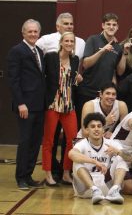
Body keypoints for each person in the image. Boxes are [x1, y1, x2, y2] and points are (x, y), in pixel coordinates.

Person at [7, 19, 46, 190]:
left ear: (39, 33)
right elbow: (13, 80)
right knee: (25, 141)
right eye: (29, 31)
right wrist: (20, 103)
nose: (33, 34)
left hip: (39, 105)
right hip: (26, 106)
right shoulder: (17, 51)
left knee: (35, 142)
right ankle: (21, 177)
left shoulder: (39, 50)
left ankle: (29, 175)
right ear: (23, 33)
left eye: (35, 31)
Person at [69, 113, 132, 204]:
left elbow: (131, 158)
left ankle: (115, 190)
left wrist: (118, 152)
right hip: (86, 190)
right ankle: (94, 189)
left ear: (103, 129)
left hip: (105, 188)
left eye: (99, 126)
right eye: (92, 126)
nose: (96, 129)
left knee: (121, 158)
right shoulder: (82, 143)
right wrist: (94, 162)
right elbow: (71, 154)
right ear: (87, 130)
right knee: (77, 162)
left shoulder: (111, 143)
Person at [42, 32, 80, 186]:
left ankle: (66, 173)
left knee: (72, 141)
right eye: (67, 41)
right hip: (53, 104)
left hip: (68, 105)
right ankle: (48, 174)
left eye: (72, 41)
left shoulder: (75, 60)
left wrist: (78, 79)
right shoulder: (51, 57)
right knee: (49, 141)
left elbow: (72, 80)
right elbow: (43, 78)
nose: (69, 43)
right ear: (61, 42)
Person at [78, 13, 124, 129]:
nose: (111, 27)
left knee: (101, 127)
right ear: (103, 25)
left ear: (117, 27)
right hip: (87, 91)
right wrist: (102, 51)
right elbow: (86, 64)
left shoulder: (118, 47)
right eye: (108, 24)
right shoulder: (93, 39)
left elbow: (118, 72)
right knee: (84, 127)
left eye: (114, 25)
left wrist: (124, 52)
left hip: (104, 95)